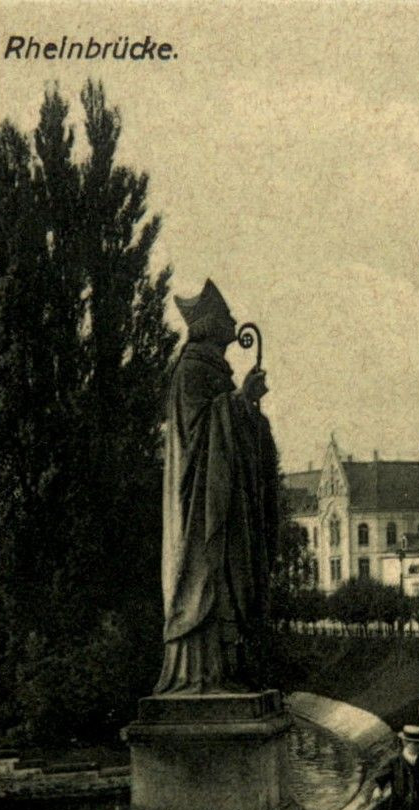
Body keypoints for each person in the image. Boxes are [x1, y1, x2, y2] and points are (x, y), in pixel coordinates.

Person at [155, 279, 281, 695]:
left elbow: (229, 426)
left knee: (226, 580)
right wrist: (241, 400)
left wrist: (247, 408)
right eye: (225, 315)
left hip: (220, 502)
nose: (232, 321)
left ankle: (223, 673)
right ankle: (200, 676)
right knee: (209, 580)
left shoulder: (211, 372)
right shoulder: (191, 371)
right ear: (209, 325)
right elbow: (199, 436)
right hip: (200, 510)